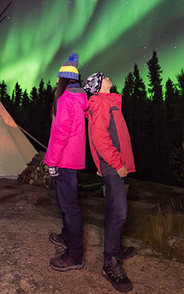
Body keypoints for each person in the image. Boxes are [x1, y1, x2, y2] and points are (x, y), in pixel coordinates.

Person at [83, 72, 136, 293]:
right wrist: (116, 163)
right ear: (98, 86)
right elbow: (99, 138)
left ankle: (115, 248)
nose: (107, 78)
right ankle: (110, 264)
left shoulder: (107, 101)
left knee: (116, 209)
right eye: (103, 77)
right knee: (119, 211)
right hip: (112, 165)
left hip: (113, 163)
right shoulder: (99, 103)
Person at [44, 53, 89, 271]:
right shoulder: (78, 100)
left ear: (62, 80)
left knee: (70, 207)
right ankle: (67, 237)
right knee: (64, 203)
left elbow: (61, 133)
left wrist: (52, 161)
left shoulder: (65, 100)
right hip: (71, 159)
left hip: (64, 160)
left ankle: (75, 254)